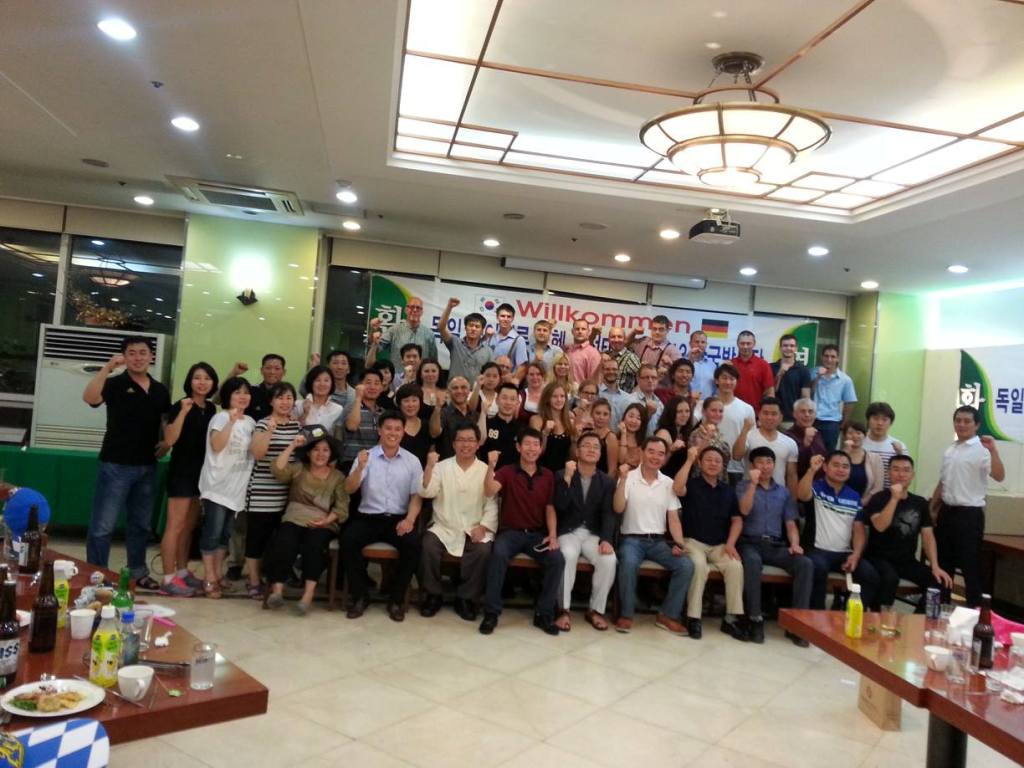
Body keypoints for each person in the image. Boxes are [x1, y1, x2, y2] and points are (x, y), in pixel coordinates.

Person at [82, 337, 171, 590]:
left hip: (147, 466)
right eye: (132, 353)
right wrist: (107, 368)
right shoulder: (114, 383)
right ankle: (97, 574)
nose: (138, 358)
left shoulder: (159, 389)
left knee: (140, 525)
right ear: (124, 356)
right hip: (115, 465)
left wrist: (167, 443)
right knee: (102, 526)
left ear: (151, 356)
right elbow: (90, 398)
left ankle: (137, 572)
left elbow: (165, 420)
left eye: (143, 353)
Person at [341, 411, 424, 621]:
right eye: (388, 428)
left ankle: (396, 599)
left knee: (413, 545)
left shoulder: (412, 461)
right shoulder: (366, 457)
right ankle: (360, 596)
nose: (392, 433)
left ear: (403, 432)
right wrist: (359, 469)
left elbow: (416, 496)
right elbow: (349, 489)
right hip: (368, 517)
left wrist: (410, 520)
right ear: (379, 430)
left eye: (397, 429)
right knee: (348, 540)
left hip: (398, 519)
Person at [480, 428, 563, 636]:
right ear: (518, 447)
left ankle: (544, 613)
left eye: (536, 444)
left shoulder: (548, 475)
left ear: (541, 448)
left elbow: (550, 507)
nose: (531, 448)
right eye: (527, 444)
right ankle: (491, 613)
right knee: (498, 554)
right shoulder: (507, 471)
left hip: (537, 535)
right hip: (511, 533)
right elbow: (489, 491)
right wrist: (491, 466)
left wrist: (552, 535)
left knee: (557, 559)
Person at [613, 437, 694, 635]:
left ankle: (667, 615)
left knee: (685, 565)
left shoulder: (668, 483)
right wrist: (622, 481)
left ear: (665, 458)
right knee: (628, 563)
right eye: (651, 451)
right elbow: (618, 508)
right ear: (642, 452)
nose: (655, 457)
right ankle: (626, 614)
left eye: (661, 454)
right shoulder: (628, 477)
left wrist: (679, 544)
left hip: (658, 542)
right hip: (631, 540)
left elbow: (673, 519)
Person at [265, 431, 349, 614]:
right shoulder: (298, 469)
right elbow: (278, 470)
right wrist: (292, 446)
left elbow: (342, 507)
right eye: (316, 449)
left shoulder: (338, 477)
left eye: (325, 450)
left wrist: (326, 520)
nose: (320, 454)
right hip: (294, 518)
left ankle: (307, 595)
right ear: (309, 453)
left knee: (314, 546)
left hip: (323, 522)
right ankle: (277, 591)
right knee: (284, 542)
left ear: (331, 454)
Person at [735, 447, 813, 645]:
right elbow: (744, 510)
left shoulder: (784, 493)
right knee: (752, 562)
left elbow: (790, 524)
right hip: (749, 542)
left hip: (775, 545)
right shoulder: (742, 486)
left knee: (804, 564)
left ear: (774, 465)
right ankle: (754, 618)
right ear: (752, 466)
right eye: (760, 462)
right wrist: (753, 484)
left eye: (769, 462)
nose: (765, 466)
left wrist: (795, 544)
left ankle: (797, 624)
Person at [419, 427, 497, 620]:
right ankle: (433, 594)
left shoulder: (486, 470)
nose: (465, 444)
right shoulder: (441, 467)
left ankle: (466, 598)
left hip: (474, 526)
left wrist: (484, 526)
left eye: (470, 440)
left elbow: (492, 503)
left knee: (483, 551)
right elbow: (427, 492)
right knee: (428, 545)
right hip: (444, 526)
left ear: (478, 444)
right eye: (461, 440)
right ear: (453, 444)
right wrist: (429, 466)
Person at [931, 405, 1005, 607]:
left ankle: (975, 613)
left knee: (970, 565)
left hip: (969, 516)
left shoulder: (983, 449)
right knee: (943, 563)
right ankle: (941, 608)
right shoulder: (951, 449)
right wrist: (932, 508)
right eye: (958, 420)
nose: (961, 424)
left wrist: (994, 451)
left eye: (967, 421)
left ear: (976, 425)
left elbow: (999, 476)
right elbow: (943, 482)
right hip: (947, 512)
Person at [673, 446, 746, 640]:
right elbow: (677, 489)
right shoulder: (692, 485)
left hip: (720, 545)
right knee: (698, 566)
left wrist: (731, 544)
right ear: (700, 463)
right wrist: (689, 460)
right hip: (693, 542)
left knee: (735, 566)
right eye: (708, 459)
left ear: (723, 466)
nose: (713, 463)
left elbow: (737, 520)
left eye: (717, 461)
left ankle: (731, 619)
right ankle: (693, 618)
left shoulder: (728, 491)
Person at [159, 362, 218, 597]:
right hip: (181, 472)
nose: (202, 382)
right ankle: (167, 578)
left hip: (201, 474)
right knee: (174, 526)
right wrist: (183, 411)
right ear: (189, 381)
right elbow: (170, 439)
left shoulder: (211, 408)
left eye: (207, 378)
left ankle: (182, 572)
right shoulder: (180, 405)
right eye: (197, 378)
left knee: (188, 526)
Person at [863, 455, 952, 611]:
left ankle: (920, 620)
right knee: (890, 578)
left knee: (940, 581)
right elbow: (880, 526)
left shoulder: (920, 503)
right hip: (878, 558)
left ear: (912, 475)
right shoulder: (878, 499)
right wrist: (894, 499)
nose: (901, 474)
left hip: (906, 561)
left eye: (906, 470)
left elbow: (928, 536)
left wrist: (935, 566)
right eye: (896, 469)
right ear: (889, 473)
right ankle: (879, 618)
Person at [197, 377, 255, 599]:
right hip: (217, 486)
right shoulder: (221, 417)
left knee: (225, 535)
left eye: (246, 392)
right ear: (228, 396)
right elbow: (216, 445)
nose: (243, 396)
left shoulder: (250, 422)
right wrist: (230, 422)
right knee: (212, 533)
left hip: (236, 489)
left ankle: (218, 574)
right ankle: (209, 577)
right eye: (237, 392)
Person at [797, 451, 879, 610]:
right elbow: (801, 494)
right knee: (818, 569)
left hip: (844, 554)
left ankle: (849, 615)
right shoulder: (816, 487)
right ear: (825, 467)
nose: (841, 469)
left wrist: (856, 554)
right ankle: (816, 618)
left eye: (845, 466)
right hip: (817, 551)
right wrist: (812, 470)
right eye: (836, 465)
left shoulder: (854, 496)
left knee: (870, 575)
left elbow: (859, 529)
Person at [554, 434, 617, 631]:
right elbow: (559, 506)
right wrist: (567, 479)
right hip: (568, 531)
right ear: (577, 451)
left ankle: (595, 610)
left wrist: (606, 539)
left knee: (609, 559)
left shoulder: (606, 481)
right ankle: (563, 609)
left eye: (596, 447)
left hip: (593, 534)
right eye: (586, 445)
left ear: (600, 453)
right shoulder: (562, 474)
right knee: (567, 555)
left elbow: (608, 514)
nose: (591, 449)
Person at [246, 382, 301, 600]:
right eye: (280, 398)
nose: (285, 402)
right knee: (257, 538)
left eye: (289, 398)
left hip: (288, 493)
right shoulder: (262, 423)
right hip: (262, 491)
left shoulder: (297, 425)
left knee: (281, 541)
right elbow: (258, 453)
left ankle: (275, 579)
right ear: (271, 401)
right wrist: (270, 430)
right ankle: (253, 581)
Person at [699, 364, 754, 483]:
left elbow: (750, 440)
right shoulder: (703, 405)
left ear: (736, 382)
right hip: (708, 466)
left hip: (736, 468)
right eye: (724, 378)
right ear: (716, 380)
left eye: (732, 379)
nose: (728, 382)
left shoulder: (747, 409)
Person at [732, 397, 798, 493]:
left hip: (778, 495)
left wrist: (792, 499)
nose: (769, 417)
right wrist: (744, 430)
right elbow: (736, 456)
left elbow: (791, 475)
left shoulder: (790, 443)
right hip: (750, 493)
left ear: (780, 417)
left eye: (774, 414)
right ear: (759, 415)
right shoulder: (748, 436)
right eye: (765, 413)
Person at [368, 295, 438, 369]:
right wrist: (373, 330)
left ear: (422, 312)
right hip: (397, 375)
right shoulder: (394, 330)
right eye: (412, 307)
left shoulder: (429, 334)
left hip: (420, 376)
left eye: (418, 308)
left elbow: (433, 361)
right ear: (406, 310)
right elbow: (375, 348)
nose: (415, 310)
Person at [811, 344, 857, 450]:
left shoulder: (845, 380)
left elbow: (849, 402)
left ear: (838, 359)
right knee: (811, 452)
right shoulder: (813, 373)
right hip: (812, 420)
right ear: (822, 357)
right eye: (826, 356)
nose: (829, 359)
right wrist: (818, 377)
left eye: (833, 357)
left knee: (829, 453)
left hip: (831, 422)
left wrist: (843, 423)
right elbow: (809, 393)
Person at [439, 297, 493, 383]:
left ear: (482, 330)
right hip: (454, 389)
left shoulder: (488, 351)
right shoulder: (455, 342)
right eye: (471, 325)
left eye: (477, 326)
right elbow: (441, 328)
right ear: (465, 328)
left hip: (475, 390)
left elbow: (490, 374)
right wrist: (449, 307)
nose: (473, 329)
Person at [339, 370, 385, 468]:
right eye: (368, 382)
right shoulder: (352, 407)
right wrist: (358, 398)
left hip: (374, 464)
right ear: (360, 385)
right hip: (351, 462)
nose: (372, 387)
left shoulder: (383, 412)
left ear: (381, 388)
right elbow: (352, 426)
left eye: (377, 383)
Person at [530, 382, 576, 473]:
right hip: (542, 471)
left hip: (564, 473)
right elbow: (536, 453)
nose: (559, 400)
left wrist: (575, 439)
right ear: (547, 399)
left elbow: (572, 456)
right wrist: (545, 433)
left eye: (562, 396)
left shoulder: (569, 421)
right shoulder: (537, 420)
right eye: (554, 396)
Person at [228, 354, 285, 422]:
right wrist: (234, 373)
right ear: (261, 370)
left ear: (284, 372)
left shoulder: (288, 395)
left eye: (277, 368)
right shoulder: (250, 391)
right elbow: (218, 400)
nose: (272, 372)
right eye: (268, 368)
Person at [771, 334, 811, 426]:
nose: (788, 348)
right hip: (772, 417)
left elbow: (805, 397)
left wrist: (803, 419)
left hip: (793, 419)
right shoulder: (770, 367)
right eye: (785, 345)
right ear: (780, 348)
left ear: (796, 348)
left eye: (792, 346)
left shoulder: (803, 370)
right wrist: (779, 374)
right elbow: (770, 393)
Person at [479, 382, 521, 469]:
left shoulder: (522, 429)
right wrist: (483, 413)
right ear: (497, 400)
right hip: (486, 472)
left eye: (512, 399)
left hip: (513, 474)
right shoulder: (486, 423)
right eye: (504, 398)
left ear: (517, 403)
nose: (508, 402)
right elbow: (479, 441)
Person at [628, 315, 680, 384]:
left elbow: (680, 375)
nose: (657, 332)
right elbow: (625, 343)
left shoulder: (673, 351)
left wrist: (671, 364)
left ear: (667, 330)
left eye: (661, 329)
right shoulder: (643, 341)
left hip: (659, 389)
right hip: (638, 386)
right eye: (654, 329)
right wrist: (634, 332)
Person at [688, 396, 731, 481]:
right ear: (704, 412)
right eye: (713, 410)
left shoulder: (719, 433)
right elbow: (695, 460)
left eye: (720, 411)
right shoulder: (696, 434)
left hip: (721, 481)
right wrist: (707, 437)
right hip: (701, 481)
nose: (718, 414)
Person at [862, 402, 904, 488]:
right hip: (863, 492)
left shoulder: (899, 446)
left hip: (890, 493)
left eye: (884, 420)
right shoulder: (860, 443)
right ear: (868, 420)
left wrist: (900, 453)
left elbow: (904, 473)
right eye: (875, 419)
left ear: (891, 423)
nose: (880, 423)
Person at [430, 375, 473, 459]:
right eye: (455, 388)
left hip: (472, 463)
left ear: (469, 391)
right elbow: (434, 433)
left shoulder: (475, 414)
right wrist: (438, 408)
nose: (459, 391)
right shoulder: (442, 413)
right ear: (448, 391)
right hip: (447, 463)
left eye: (463, 387)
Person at [730, 330, 774, 411]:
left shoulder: (763, 365)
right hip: (732, 411)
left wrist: (766, 413)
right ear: (737, 344)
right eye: (742, 343)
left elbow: (770, 393)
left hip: (755, 413)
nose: (745, 347)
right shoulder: (730, 364)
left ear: (754, 344)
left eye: (748, 343)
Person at [294, 365, 344, 434]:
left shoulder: (337, 409)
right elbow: (293, 430)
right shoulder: (298, 405)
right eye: (317, 380)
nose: (322, 384)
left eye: (326, 380)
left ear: (332, 384)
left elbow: (337, 435)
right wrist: (305, 413)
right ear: (311, 382)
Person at [841, 421, 883, 502]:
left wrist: (862, 502)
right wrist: (845, 452)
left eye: (858, 433)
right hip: (838, 503)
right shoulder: (837, 457)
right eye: (850, 433)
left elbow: (878, 487)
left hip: (865, 504)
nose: (854, 436)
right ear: (844, 436)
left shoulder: (875, 458)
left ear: (865, 436)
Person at [654, 396, 694, 479]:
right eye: (679, 411)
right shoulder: (663, 433)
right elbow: (656, 464)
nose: (684, 415)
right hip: (666, 480)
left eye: (687, 411)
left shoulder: (685, 432)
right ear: (671, 413)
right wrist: (671, 450)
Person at [787, 398, 828, 478]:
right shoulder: (788, 436)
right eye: (803, 411)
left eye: (810, 411)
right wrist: (806, 443)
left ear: (815, 415)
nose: (807, 415)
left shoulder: (817, 433)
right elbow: (795, 466)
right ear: (794, 414)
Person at [396, 383, 431, 467]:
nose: (410, 405)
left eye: (414, 400)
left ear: (420, 402)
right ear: (399, 403)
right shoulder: (393, 425)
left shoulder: (427, 425)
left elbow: (431, 454)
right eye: (406, 401)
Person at [488, 302, 529, 371]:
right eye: (502, 316)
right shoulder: (491, 337)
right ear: (497, 317)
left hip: (508, 377)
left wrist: (513, 378)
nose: (505, 319)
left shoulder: (518, 340)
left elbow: (522, 367)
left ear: (513, 318)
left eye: (509, 317)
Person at [629, 364, 664, 436]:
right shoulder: (630, 400)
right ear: (638, 379)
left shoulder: (660, 403)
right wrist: (648, 414)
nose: (650, 380)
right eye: (646, 377)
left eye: (654, 377)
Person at [563, 319, 602, 386]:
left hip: (582, 391)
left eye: (583, 329)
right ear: (572, 331)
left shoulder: (593, 353)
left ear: (588, 332)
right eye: (577, 329)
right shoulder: (567, 350)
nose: (580, 331)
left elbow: (595, 381)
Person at [597, 355, 631, 426]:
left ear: (619, 371)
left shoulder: (627, 398)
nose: (611, 372)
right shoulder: (596, 393)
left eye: (614, 369)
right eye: (607, 369)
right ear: (602, 371)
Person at [605, 327, 641, 393]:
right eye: (613, 337)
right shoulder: (606, 355)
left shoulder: (630, 357)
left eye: (619, 337)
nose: (616, 340)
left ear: (624, 340)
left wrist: (632, 396)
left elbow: (643, 379)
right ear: (609, 339)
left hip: (622, 398)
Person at [589, 398, 619, 475]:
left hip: (602, 479)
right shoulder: (586, 433)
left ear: (610, 416)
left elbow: (612, 469)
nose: (601, 417)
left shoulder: (611, 438)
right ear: (592, 414)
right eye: (598, 413)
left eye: (605, 414)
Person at [687, 330, 717, 400]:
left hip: (707, 404)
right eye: (696, 342)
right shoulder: (682, 362)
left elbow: (716, 388)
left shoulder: (712, 365)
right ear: (690, 344)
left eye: (703, 342)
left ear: (706, 344)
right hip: (687, 403)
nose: (700, 345)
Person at [617, 402, 647, 470]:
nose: (633, 421)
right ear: (624, 417)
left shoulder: (644, 444)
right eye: (631, 416)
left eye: (638, 418)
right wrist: (623, 434)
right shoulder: (615, 439)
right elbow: (621, 460)